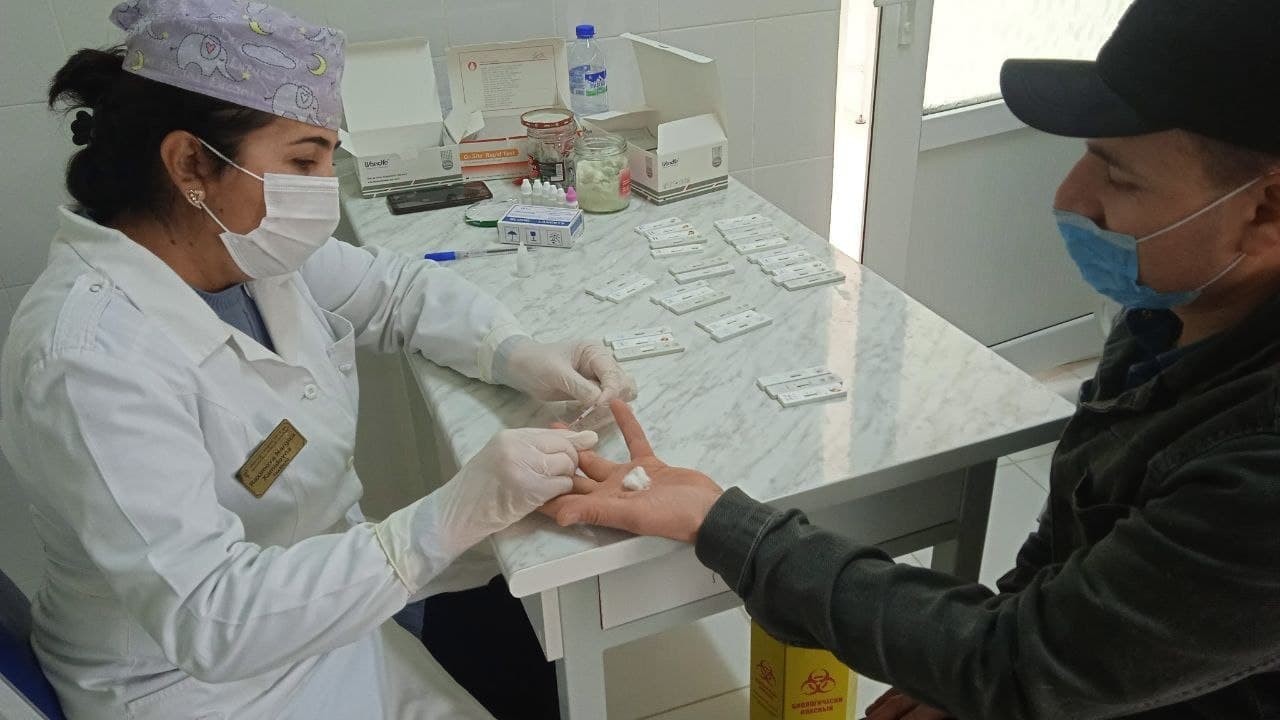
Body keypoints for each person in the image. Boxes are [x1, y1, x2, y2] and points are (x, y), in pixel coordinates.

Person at [542, 2, 1280, 718]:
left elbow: (1023, 665)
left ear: (1267, 208)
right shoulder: (1169, 315)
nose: (1070, 198)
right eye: (1087, 154)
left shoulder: (1258, 469)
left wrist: (722, 524)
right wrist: (964, 667)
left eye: (1120, 177)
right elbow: (1066, 558)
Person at [0, 1, 635, 718]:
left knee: (529, 606)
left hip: (317, 599)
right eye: (303, 161)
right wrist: (450, 515)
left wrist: (515, 352)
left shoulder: (243, 250)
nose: (322, 188)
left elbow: (398, 292)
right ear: (190, 164)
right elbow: (210, 616)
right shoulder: (89, 360)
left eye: (329, 157)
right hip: (198, 684)